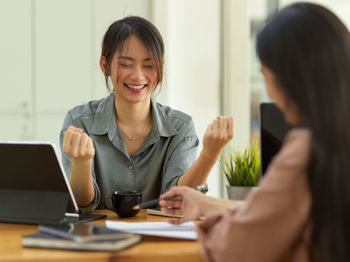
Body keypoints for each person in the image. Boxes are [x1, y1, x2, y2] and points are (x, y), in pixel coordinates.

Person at [160, 3, 350, 262]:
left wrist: (213, 220)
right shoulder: (332, 140)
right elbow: (279, 209)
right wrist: (212, 205)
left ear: (290, 78)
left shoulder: (305, 151)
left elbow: (235, 248)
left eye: (264, 75)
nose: (268, 90)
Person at [60, 16, 234, 213]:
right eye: (126, 64)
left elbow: (178, 201)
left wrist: (210, 154)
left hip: (160, 242)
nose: (138, 76)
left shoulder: (180, 127)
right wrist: (82, 163)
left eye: (149, 65)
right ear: (105, 66)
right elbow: (81, 205)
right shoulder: (79, 123)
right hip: (98, 239)